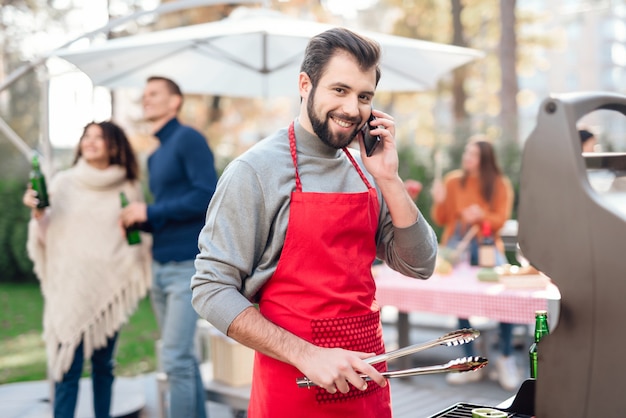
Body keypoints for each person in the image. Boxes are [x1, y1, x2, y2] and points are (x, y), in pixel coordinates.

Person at [191, 27, 438, 418]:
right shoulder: (254, 171)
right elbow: (210, 289)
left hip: (365, 379)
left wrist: (389, 178)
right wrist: (307, 355)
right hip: (294, 385)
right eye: (339, 90)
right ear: (305, 84)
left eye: (364, 96)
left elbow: (420, 264)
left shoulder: (369, 169)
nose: (352, 109)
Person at [23, 121, 151, 418]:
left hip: (108, 285)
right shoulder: (63, 182)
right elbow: (47, 235)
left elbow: (138, 236)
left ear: (114, 146)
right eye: (86, 136)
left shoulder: (128, 186)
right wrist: (38, 211)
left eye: (99, 138)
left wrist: (130, 257)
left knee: (104, 366)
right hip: (69, 286)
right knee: (68, 368)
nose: (90, 142)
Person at [120, 76, 217, 418]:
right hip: (159, 266)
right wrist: (141, 218)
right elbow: (170, 207)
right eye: (144, 95)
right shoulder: (155, 154)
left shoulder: (188, 139)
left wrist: (151, 210)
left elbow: (207, 195)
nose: (146, 100)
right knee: (184, 360)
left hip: (186, 267)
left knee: (174, 358)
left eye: (154, 94)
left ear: (175, 101)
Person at [430, 136, 519, 391]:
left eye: (473, 154)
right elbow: (442, 217)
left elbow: (501, 220)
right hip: (456, 247)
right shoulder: (453, 181)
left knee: (505, 296)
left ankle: (505, 356)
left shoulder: (500, 184)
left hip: (487, 247)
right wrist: (438, 199)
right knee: (459, 301)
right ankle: (469, 359)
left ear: (485, 159)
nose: (467, 157)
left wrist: (482, 215)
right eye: (466, 152)